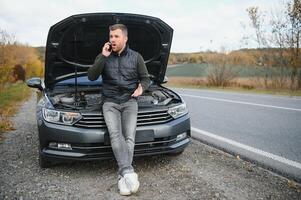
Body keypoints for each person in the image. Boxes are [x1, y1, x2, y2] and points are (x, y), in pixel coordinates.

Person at [87, 24, 150, 196]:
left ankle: (123, 177)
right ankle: (128, 172)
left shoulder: (136, 57)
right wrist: (102, 56)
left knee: (129, 137)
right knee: (116, 135)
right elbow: (91, 76)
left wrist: (141, 89)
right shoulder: (104, 56)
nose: (112, 39)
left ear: (125, 38)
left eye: (116, 36)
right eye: (111, 36)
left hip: (130, 101)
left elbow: (146, 79)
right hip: (110, 102)